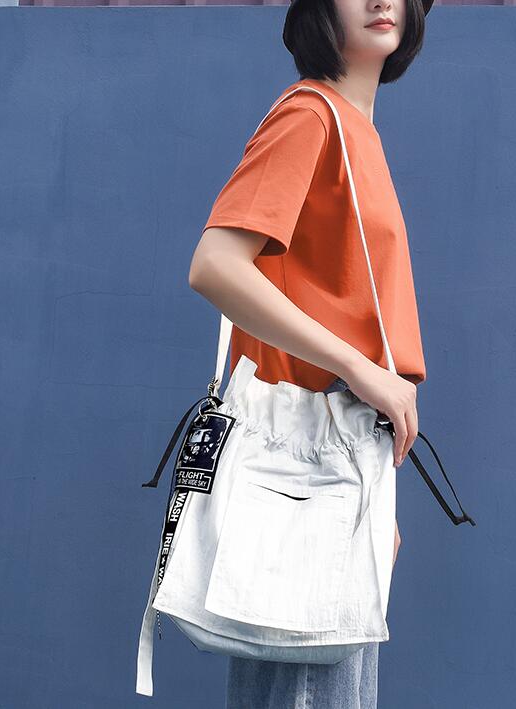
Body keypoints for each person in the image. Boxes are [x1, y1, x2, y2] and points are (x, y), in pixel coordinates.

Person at [188, 0, 433, 705]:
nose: (381, 1)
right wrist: (359, 368)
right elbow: (215, 265)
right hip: (303, 468)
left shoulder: (358, 133)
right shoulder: (310, 116)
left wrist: (371, 494)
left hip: (341, 465)